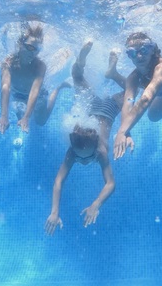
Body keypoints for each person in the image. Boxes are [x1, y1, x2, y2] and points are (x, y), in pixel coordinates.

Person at [44, 41, 131, 236]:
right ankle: (89, 63)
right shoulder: (73, 152)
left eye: (85, 157)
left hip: (103, 110)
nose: (82, 161)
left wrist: (96, 204)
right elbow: (58, 181)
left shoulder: (100, 152)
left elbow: (111, 183)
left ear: (95, 148)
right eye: (80, 157)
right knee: (80, 77)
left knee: (130, 90)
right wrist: (54, 212)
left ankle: (110, 71)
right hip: (100, 110)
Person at [0, 21, 68, 134]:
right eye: (30, 47)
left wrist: (27, 117)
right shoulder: (8, 62)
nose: (33, 53)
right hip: (18, 94)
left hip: (38, 94)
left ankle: (58, 88)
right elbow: (6, 87)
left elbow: (35, 90)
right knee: (19, 116)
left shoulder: (40, 66)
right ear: (20, 44)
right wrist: (4, 115)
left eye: (37, 49)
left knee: (41, 121)